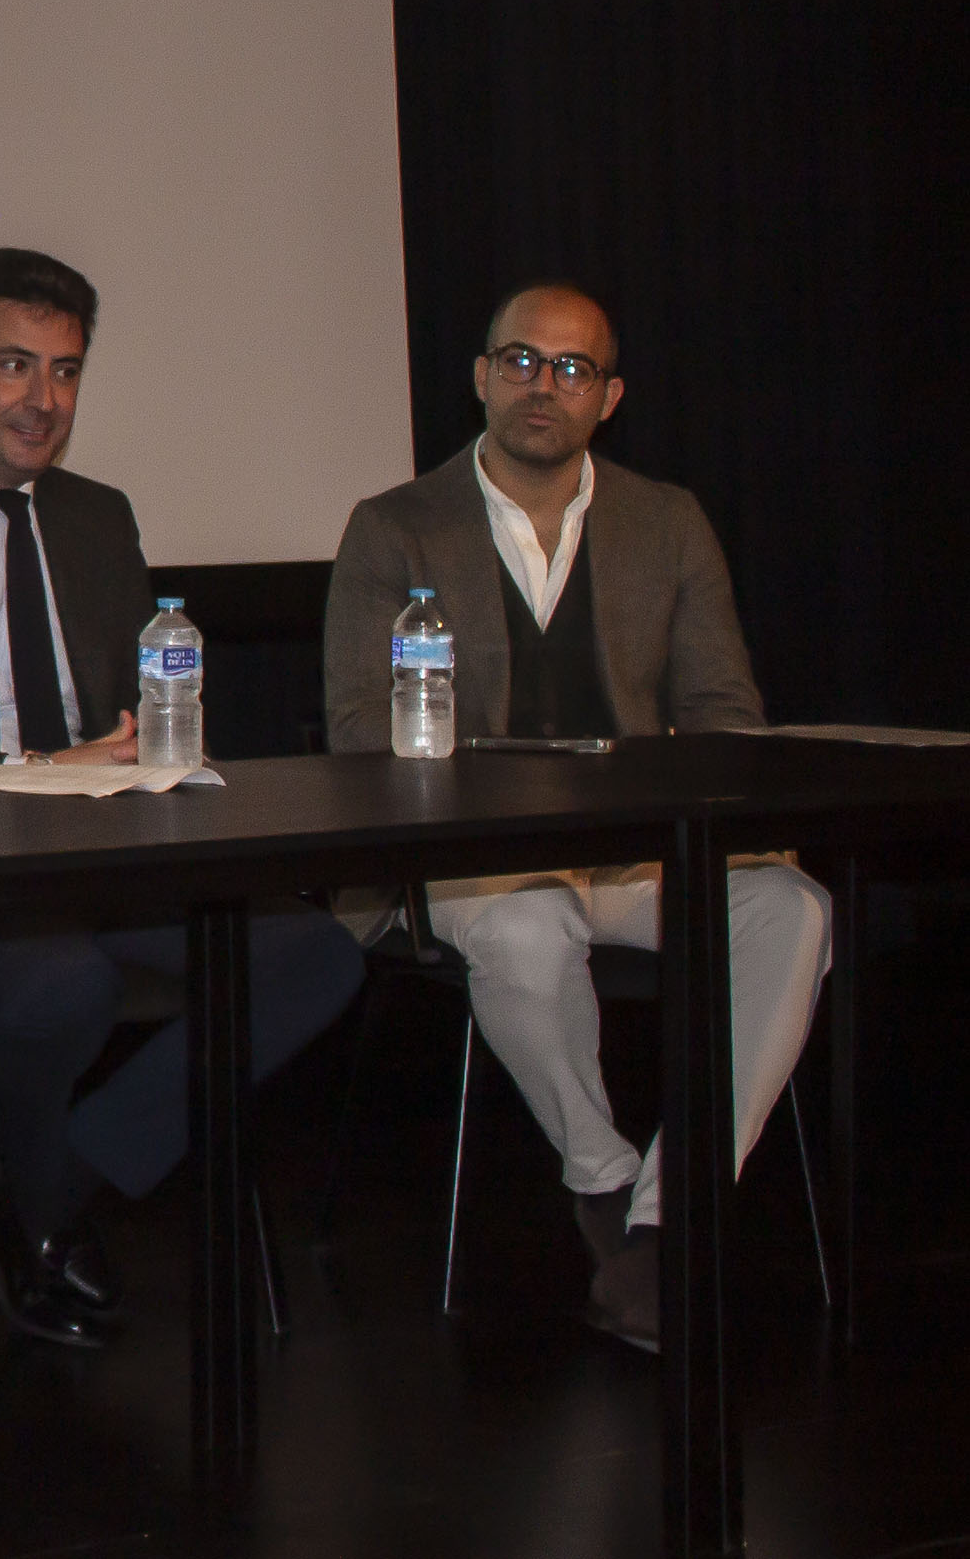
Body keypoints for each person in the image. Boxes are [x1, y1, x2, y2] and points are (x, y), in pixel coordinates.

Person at [0, 247, 365, 1350]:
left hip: (104, 852)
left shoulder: (98, 515)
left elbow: (135, 710)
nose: (42, 398)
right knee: (62, 980)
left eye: (65, 370)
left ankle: (49, 1181)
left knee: (313, 957)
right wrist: (44, 772)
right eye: (13, 364)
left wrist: (149, 750)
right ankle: (44, 1209)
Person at [322, 282, 829, 1353]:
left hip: (639, 854)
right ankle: (602, 1187)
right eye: (520, 360)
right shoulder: (395, 526)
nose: (541, 385)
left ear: (610, 396)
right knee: (526, 924)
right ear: (480, 377)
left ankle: (668, 1212)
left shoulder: (667, 520)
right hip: (473, 862)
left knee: (792, 908)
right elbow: (362, 734)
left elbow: (727, 716)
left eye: (571, 367)